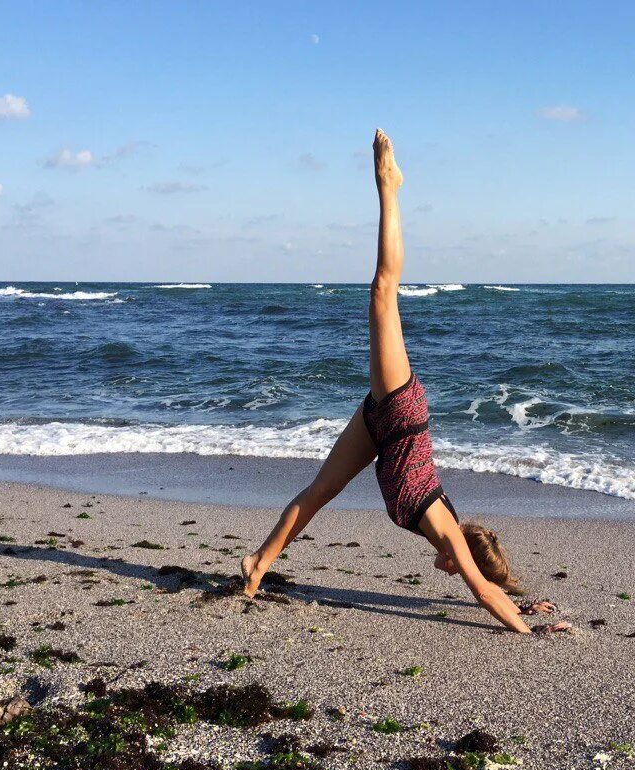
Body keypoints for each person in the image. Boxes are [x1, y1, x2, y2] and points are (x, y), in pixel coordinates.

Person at [240, 130, 567, 634]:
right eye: (463, 569)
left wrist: (524, 603)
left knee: (322, 489)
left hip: (382, 430)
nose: (455, 575)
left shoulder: (450, 537)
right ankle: (389, 187)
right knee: (382, 291)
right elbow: (482, 590)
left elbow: (488, 585)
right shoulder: (447, 532)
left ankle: (258, 564)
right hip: (400, 414)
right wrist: (526, 628)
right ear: (462, 560)